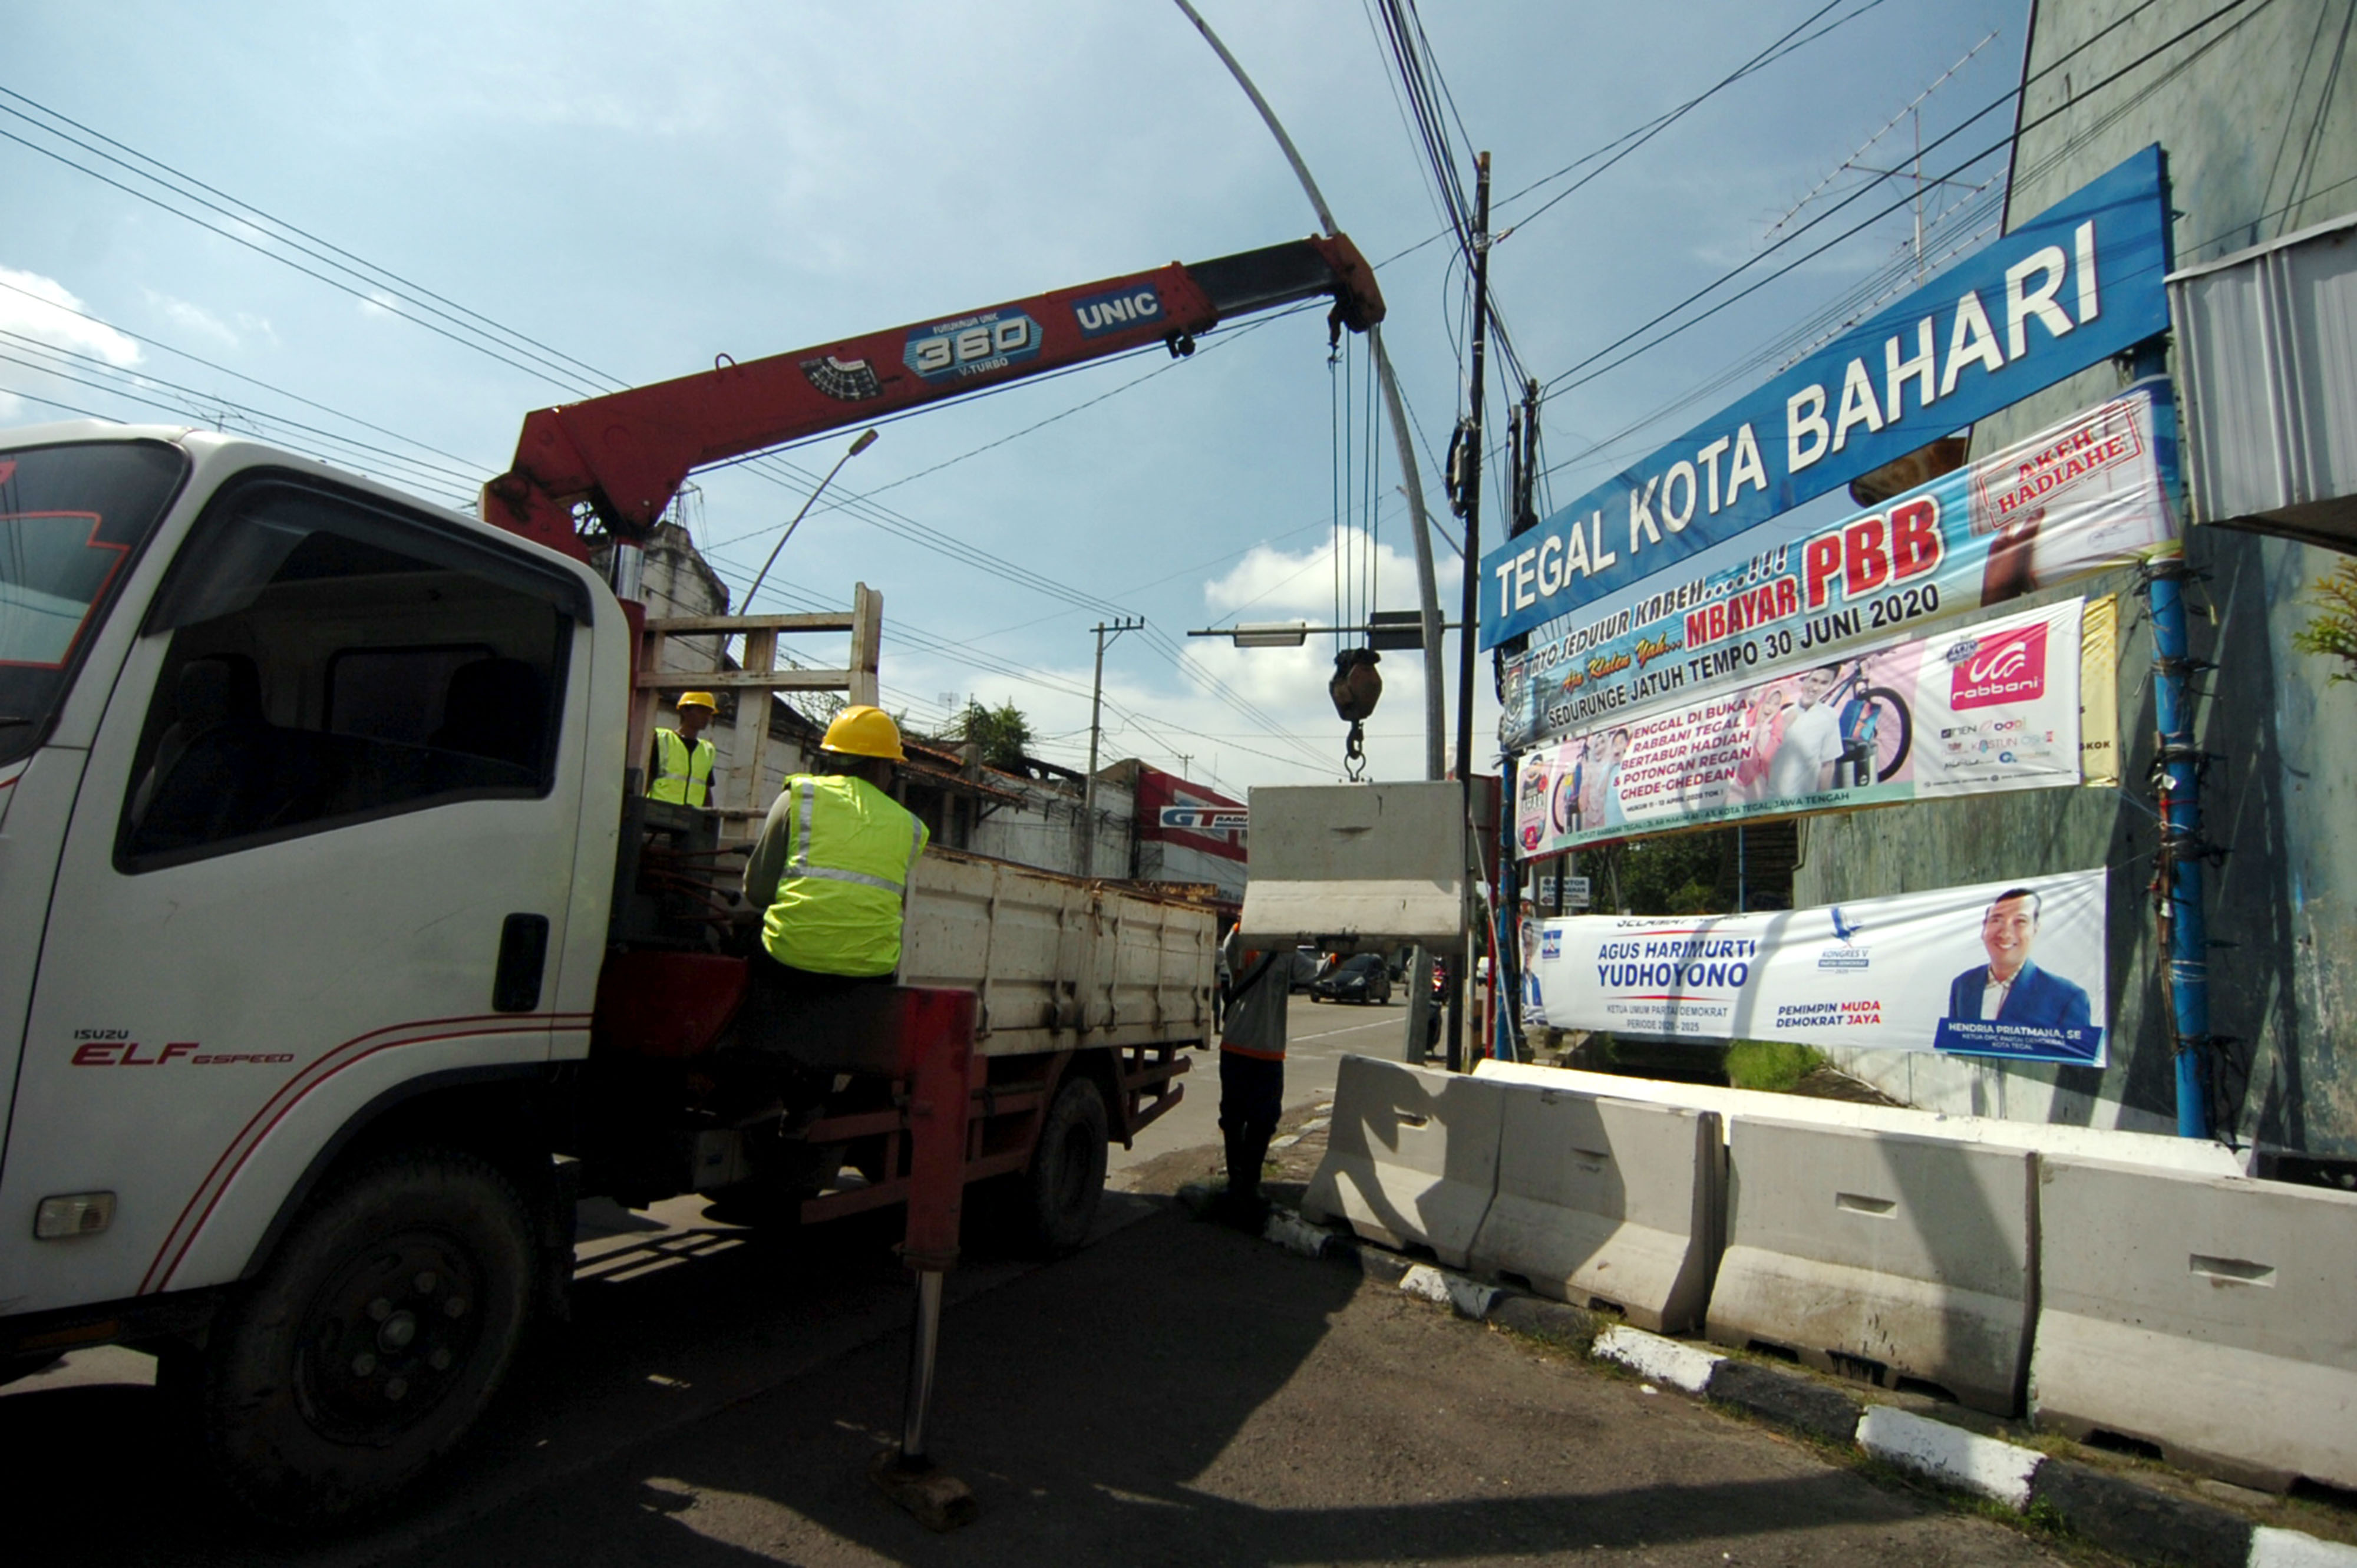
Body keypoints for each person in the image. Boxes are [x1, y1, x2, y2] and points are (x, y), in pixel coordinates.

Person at [740, 705, 929, 990]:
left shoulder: (798, 797)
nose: (891, 777)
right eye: (893, 767)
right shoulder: (912, 827)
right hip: (872, 973)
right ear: (878, 764)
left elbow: (757, 892)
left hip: (789, 963)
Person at [1213, 926, 1290, 1227]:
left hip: (1270, 1054)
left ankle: (1250, 1183)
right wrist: (1247, 921)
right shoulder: (1242, 946)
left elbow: (1317, 971)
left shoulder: (1287, 953)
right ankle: (1236, 1181)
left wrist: (1340, 957)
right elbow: (1232, 943)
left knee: (1264, 1120)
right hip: (1236, 1048)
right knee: (1233, 1119)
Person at [1946, 887, 2092, 1029]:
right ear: (1984, 927)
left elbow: (2074, 1052)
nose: (2006, 933)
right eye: (1996, 920)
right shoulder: (1963, 985)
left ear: (2035, 929)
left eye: (2020, 922)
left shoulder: (2067, 998)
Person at [1768, 665, 1845, 798]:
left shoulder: (1829, 717)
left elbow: (1828, 765)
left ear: (1831, 685)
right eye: (1814, 680)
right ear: (1805, 680)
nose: (1815, 688)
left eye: (1824, 683)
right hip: (1770, 802)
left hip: (1803, 804)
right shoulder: (1781, 715)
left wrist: (1822, 803)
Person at [648, 691, 718, 806]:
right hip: (657, 815)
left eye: (709, 713)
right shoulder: (662, 739)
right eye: (701, 711)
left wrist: (709, 818)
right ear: (684, 711)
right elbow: (647, 778)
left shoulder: (708, 750)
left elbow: (706, 788)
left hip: (691, 818)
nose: (707, 717)